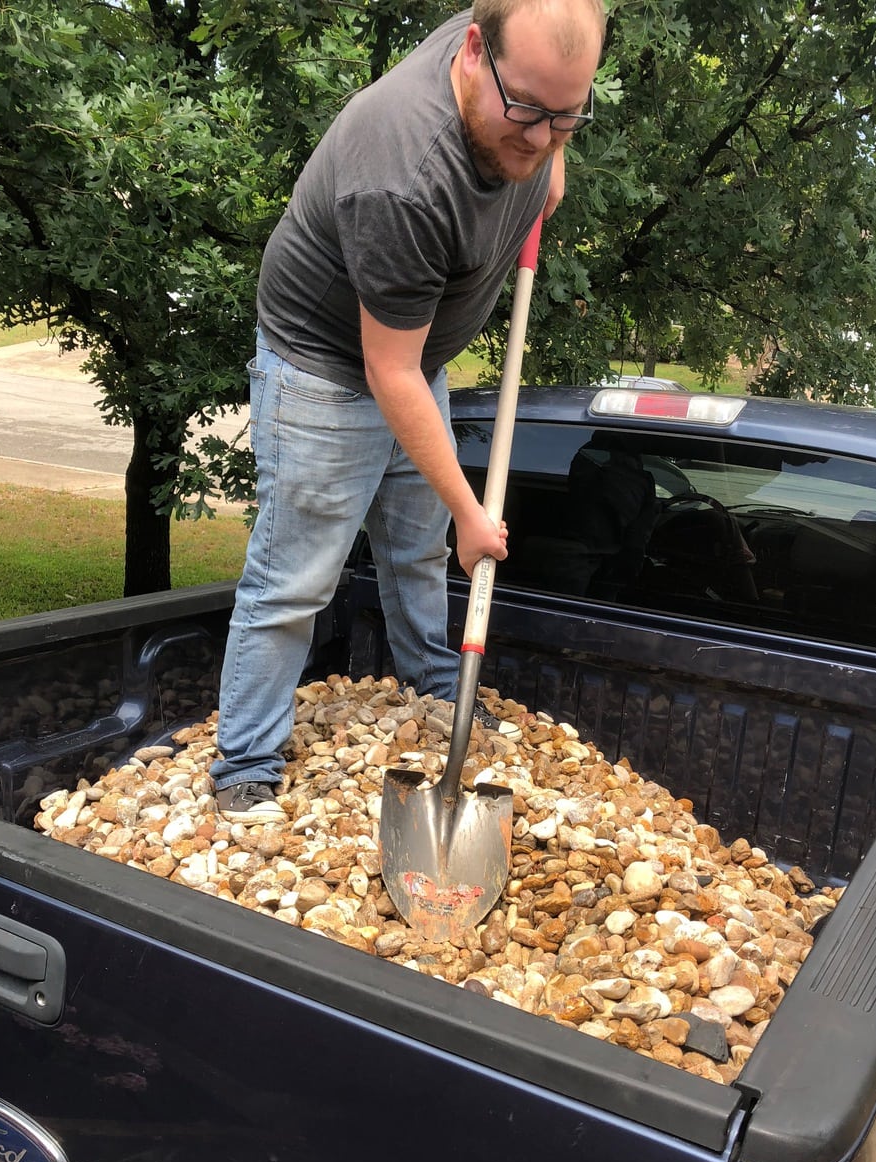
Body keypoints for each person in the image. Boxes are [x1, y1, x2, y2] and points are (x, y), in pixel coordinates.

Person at [211, 0, 606, 822]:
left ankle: (433, 686)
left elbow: (543, 142)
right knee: (296, 581)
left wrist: (547, 157)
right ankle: (244, 761)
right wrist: (472, 511)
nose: (538, 136)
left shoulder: (516, 51)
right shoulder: (403, 174)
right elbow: (386, 370)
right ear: (473, 52)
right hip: (327, 368)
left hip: (412, 356)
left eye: (567, 114)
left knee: (417, 549)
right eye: (526, 110)